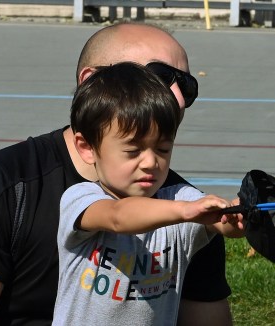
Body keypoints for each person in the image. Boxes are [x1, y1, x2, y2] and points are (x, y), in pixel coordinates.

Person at [0, 22, 235, 325]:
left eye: (187, 87)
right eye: (158, 78)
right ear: (91, 82)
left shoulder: (184, 204)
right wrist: (186, 213)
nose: (176, 98)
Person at [53, 62, 243, 325]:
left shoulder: (179, 198)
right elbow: (118, 217)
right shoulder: (81, 198)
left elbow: (222, 227)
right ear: (87, 148)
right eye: (133, 151)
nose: (151, 162)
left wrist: (237, 218)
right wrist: (186, 212)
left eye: (163, 149)